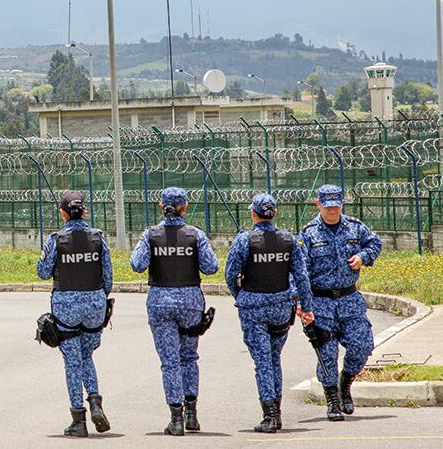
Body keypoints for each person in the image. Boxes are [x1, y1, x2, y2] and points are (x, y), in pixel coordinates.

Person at [130, 187, 219, 436]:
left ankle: (176, 418)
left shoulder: (151, 234)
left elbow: (137, 264)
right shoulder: (195, 235)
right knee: (189, 357)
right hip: (190, 301)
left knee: (169, 361)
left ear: (161, 206)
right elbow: (211, 267)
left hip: (160, 301)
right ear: (185, 207)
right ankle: (192, 415)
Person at [225, 194, 315, 433]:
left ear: (253, 213)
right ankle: (277, 412)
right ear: (274, 213)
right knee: (274, 359)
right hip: (281, 307)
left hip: (254, 308)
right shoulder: (289, 239)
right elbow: (302, 277)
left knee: (263, 362)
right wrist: (306, 307)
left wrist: (241, 296)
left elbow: (230, 275)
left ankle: (270, 415)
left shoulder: (245, 240)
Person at [300, 184, 382, 421]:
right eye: (327, 207)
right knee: (327, 354)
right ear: (318, 204)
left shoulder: (355, 227)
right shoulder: (308, 233)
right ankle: (333, 400)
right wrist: (301, 303)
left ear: (342, 203)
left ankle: (345, 382)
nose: (332, 211)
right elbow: (300, 271)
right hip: (321, 302)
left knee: (362, 345)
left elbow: (375, 243)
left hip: (349, 300)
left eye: (336, 206)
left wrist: (363, 257)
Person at [36, 191, 113, 438]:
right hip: (94, 306)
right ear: (85, 211)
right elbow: (108, 278)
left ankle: (78, 420)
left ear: (62, 213)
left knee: (72, 361)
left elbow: (43, 272)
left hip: (66, 309)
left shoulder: (56, 240)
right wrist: (96, 300)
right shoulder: (98, 237)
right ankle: (95, 402)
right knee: (86, 355)